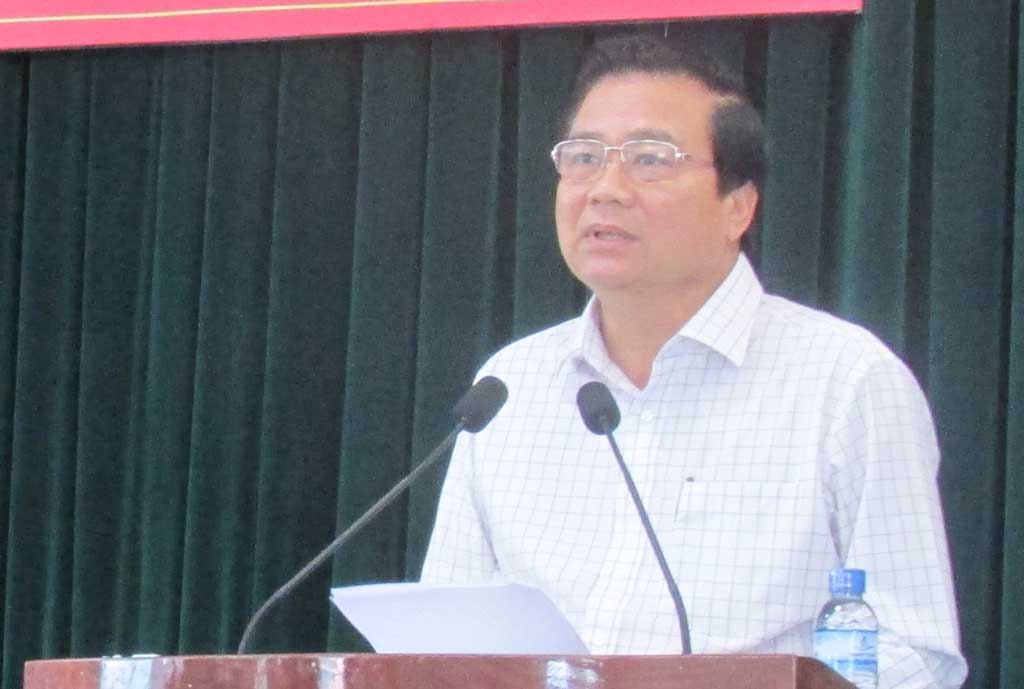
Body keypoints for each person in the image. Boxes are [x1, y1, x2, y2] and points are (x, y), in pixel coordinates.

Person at [420, 33, 967, 689]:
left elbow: (915, 655)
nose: (605, 189)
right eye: (584, 157)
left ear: (738, 206)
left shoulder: (845, 381)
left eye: (650, 159)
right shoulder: (510, 385)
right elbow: (439, 649)